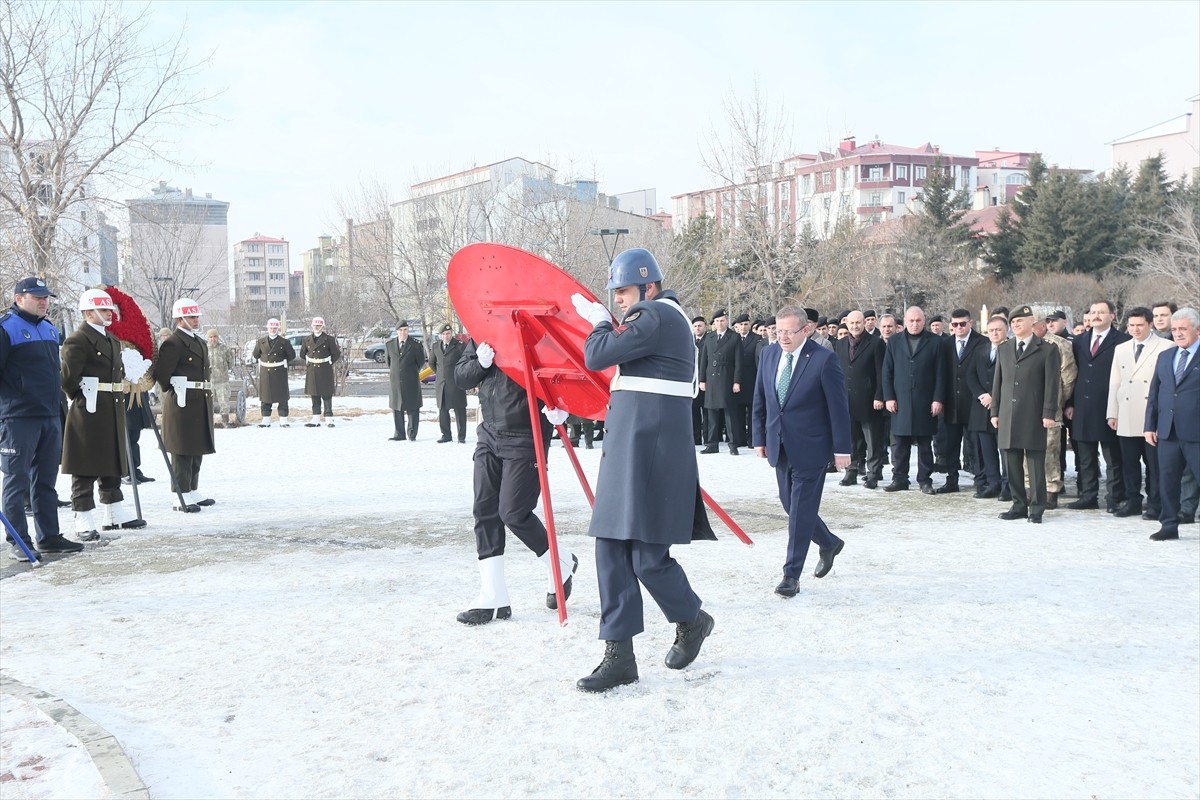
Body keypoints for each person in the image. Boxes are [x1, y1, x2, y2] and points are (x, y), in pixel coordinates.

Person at [572, 247, 715, 692]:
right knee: (612, 549)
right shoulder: (657, 317)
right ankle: (620, 654)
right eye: (614, 294)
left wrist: (597, 321)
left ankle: (692, 619)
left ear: (647, 286)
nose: (617, 299)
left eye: (623, 291)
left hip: (650, 453)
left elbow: (596, 354)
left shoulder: (654, 315)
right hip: (636, 451)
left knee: (647, 558)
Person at [452, 338, 576, 625]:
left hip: (526, 433)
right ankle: (494, 595)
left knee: (513, 512)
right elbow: (460, 377)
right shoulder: (484, 331)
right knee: (484, 510)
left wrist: (564, 407)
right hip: (489, 432)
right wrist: (479, 363)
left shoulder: (541, 333)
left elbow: (568, 375)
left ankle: (560, 562)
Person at [753, 305, 850, 597]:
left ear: (805, 330)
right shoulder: (769, 354)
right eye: (777, 331)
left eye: (788, 331)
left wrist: (842, 448)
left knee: (799, 513)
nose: (782, 337)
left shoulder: (824, 360)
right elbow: (761, 398)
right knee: (790, 505)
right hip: (779, 445)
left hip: (812, 448)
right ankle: (829, 542)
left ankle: (790, 575)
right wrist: (759, 437)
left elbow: (839, 408)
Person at [0, 277, 81, 559]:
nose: (43, 301)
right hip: (18, 417)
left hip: (49, 415)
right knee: (16, 480)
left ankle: (49, 536)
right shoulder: (6, 328)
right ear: (19, 298)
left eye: (46, 297)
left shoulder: (49, 328)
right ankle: (18, 541)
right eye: (37, 297)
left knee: (45, 480)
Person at [61, 288, 145, 541]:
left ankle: (113, 509)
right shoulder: (78, 339)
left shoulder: (111, 339)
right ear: (88, 312)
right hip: (89, 407)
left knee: (112, 458)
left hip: (111, 406)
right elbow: (68, 380)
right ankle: (83, 514)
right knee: (85, 462)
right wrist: (86, 394)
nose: (109, 313)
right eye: (104, 309)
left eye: (110, 309)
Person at [991, 305, 1061, 524]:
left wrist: (1049, 412)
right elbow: (998, 383)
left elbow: (1052, 384)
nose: (1015, 325)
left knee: (1034, 462)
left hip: (1034, 413)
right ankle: (1019, 504)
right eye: (1013, 322)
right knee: (1011, 462)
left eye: (1020, 321)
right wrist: (995, 411)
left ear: (1032, 322)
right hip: (1008, 413)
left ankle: (1037, 507)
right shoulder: (1004, 348)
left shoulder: (1047, 349)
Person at [150, 297, 216, 512]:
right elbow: (162, 375)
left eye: (196, 316)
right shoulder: (173, 343)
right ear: (180, 319)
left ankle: (192, 488)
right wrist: (178, 388)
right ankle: (180, 494)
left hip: (199, 399)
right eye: (191, 316)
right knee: (182, 449)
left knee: (196, 446)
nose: (196, 320)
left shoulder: (198, 341)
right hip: (182, 401)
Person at [1105, 308, 1170, 519]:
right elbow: (1115, 381)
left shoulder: (1165, 346)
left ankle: (1155, 503)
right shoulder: (1121, 348)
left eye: (1139, 325)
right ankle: (1133, 500)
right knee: (1129, 463)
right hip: (1126, 413)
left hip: (1152, 415)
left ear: (1150, 324)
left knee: (1154, 465)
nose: (1135, 329)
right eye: (1131, 325)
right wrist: (1112, 413)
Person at [1065, 300, 1129, 512]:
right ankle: (1088, 496)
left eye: (1101, 312)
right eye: (1093, 312)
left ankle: (1115, 497)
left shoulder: (1123, 340)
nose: (1096, 316)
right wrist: (1070, 403)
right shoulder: (1079, 340)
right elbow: (1074, 374)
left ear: (1112, 315)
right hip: (1082, 407)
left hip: (1110, 406)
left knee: (1113, 458)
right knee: (1085, 458)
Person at [1144, 308, 1200, 541]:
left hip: (1196, 432)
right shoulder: (1166, 356)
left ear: (1197, 330)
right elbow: (1155, 393)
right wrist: (1149, 425)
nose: (1178, 334)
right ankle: (1169, 524)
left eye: (1183, 329)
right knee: (1167, 480)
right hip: (1167, 431)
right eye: (1175, 329)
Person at [881, 306, 946, 493]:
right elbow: (887, 372)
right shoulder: (894, 342)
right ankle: (900, 478)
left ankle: (925, 479)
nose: (915, 324)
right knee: (900, 443)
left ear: (923, 321)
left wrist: (938, 399)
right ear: (905, 321)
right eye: (911, 321)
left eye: (918, 320)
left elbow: (941, 373)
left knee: (925, 443)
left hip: (925, 400)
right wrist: (889, 397)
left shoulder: (935, 342)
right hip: (900, 400)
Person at [834, 310, 885, 489]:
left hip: (869, 400)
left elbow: (881, 373)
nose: (855, 326)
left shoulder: (876, 343)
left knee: (872, 440)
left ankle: (873, 474)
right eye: (851, 323)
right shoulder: (839, 344)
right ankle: (851, 471)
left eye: (858, 323)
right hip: (846, 400)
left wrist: (880, 395)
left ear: (864, 323)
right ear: (846, 323)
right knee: (850, 440)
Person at [1030, 315, 1077, 509]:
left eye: (1031, 325)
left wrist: (1059, 400)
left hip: (1051, 406)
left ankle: (1051, 490)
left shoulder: (1060, 344)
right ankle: (1030, 488)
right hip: (1027, 406)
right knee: (1028, 450)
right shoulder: (1022, 344)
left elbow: (1068, 376)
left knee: (1051, 450)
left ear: (1041, 326)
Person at [938, 309, 987, 493]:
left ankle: (981, 481)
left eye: (962, 324)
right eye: (955, 324)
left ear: (971, 323)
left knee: (976, 445)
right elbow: (941, 374)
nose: (959, 327)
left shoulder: (982, 342)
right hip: (951, 405)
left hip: (974, 404)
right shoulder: (945, 344)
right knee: (950, 446)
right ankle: (952, 481)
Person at [967, 316, 1006, 498]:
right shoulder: (980, 350)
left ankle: (1008, 486)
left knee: (1005, 451)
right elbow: (971, 375)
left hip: (1003, 408)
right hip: (981, 408)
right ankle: (993, 483)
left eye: (998, 330)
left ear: (1005, 331)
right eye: (991, 330)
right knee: (987, 451)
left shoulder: (1012, 349)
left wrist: (994, 397)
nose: (995, 333)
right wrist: (982, 395)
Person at [699, 309, 742, 455]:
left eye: (722, 320)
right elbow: (703, 361)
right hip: (711, 378)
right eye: (717, 321)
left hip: (726, 377)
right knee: (711, 413)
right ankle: (712, 444)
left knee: (729, 413)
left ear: (727, 321)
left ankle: (733, 444)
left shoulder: (734, 337)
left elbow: (738, 362)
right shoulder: (709, 337)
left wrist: (736, 381)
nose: (719, 323)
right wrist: (702, 380)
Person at [385, 320, 425, 441]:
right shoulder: (390, 345)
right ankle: (399, 434)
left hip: (411, 381)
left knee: (412, 407)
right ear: (397, 331)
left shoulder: (416, 345)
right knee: (397, 407)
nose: (403, 332)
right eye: (401, 330)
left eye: (405, 330)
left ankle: (412, 434)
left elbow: (421, 362)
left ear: (408, 331)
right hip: (396, 382)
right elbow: (389, 362)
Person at [253, 318, 295, 428]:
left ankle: (283, 420)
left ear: (278, 329)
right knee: (266, 397)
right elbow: (256, 355)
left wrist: (283, 361)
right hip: (266, 373)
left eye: (275, 328)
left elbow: (292, 355)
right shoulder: (260, 342)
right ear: (267, 328)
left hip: (279, 372)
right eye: (271, 328)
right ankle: (265, 420)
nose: (273, 330)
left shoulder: (284, 342)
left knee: (282, 397)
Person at [428, 324, 467, 444]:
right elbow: (432, 363)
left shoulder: (460, 346)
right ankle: (446, 435)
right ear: (440, 335)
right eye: (443, 334)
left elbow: (466, 362)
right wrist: (441, 374)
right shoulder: (436, 346)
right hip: (442, 384)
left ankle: (461, 436)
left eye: (448, 334)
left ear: (451, 334)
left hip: (456, 383)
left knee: (459, 410)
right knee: (443, 410)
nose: (446, 336)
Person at [300, 317, 341, 427]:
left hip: (325, 369)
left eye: (319, 326)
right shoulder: (307, 340)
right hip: (312, 369)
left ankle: (329, 418)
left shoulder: (329, 339)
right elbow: (302, 354)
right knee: (314, 394)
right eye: (315, 325)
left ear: (322, 327)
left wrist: (329, 362)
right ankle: (315, 418)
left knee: (326, 395)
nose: (317, 327)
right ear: (312, 326)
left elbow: (336, 354)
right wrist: (309, 361)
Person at [732, 313, 759, 450]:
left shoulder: (756, 339)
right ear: (736, 326)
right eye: (741, 324)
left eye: (746, 324)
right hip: (736, 380)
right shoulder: (732, 338)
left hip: (751, 379)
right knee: (738, 412)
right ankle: (740, 438)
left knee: (752, 412)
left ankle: (752, 439)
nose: (743, 327)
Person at [206, 329, 236, 428]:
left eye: (214, 337)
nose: (213, 339)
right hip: (208, 381)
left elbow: (231, 362)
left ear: (217, 338)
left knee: (224, 402)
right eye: (210, 337)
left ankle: (225, 421)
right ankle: (208, 422)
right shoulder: (204, 349)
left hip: (222, 380)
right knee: (207, 403)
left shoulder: (224, 348)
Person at [690, 316, 708, 445]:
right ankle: (696, 438)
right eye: (695, 326)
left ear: (705, 326)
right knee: (694, 411)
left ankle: (708, 438)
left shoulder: (710, 340)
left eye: (700, 326)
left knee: (707, 412)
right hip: (692, 381)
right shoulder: (689, 341)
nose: (697, 328)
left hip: (706, 381)